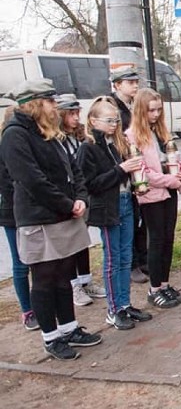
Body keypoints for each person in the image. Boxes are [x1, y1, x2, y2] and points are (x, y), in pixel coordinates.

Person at [0, 79, 102, 360]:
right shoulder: (15, 135)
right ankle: (51, 337)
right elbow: (32, 180)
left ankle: (69, 329)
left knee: (63, 277)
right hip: (40, 219)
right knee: (44, 280)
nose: (56, 106)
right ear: (35, 104)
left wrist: (80, 196)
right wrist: (68, 204)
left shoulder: (49, 132)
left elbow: (73, 168)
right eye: (51, 101)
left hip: (65, 215)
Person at [78, 96, 153, 330]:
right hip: (108, 207)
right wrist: (120, 169)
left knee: (125, 257)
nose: (114, 125)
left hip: (126, 201)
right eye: (109, 120)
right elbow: (90, 184)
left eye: (116, 120)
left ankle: (125, 303)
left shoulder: (117, 143)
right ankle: (114, 309)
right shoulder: (88, 147)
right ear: (93, 120)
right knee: (112, 259)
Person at [126, 88, 181, 309]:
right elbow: (142, 171)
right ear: (141, 110)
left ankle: (164, 283)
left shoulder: (161, 131)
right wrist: (170, 180)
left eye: (159, 109)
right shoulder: (132, 135)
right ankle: (154, 289)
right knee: (156, 240)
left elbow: (173, 157)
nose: (155, 114)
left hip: (170, 191)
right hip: (151, 195)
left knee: (168, 238)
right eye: (151, 110)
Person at [57, 94, 106, 307]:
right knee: (69, 246)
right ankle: (73, 284)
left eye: (77, 113)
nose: (76, 118)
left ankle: (85, 281)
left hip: (81, 195)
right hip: (65, 199)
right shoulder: (55, 140)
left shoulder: (80, 137)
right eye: (70, 114)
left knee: (82, 242)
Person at [0, 97, 39, 331]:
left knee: (35, 261)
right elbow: (8, 183)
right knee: (20, 262)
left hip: (28, 210)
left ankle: (38, 304)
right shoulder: (8, 145)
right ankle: (27, 310)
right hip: (11, 213)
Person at [109, 69, 148, 285]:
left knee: (140, 216)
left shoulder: (134, 106)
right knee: (131, 218)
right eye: (129, 82)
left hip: (138, 164)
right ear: (117, 85)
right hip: (125, 165)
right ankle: (133, 263)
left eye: (135, 82)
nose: (134, 85)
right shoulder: (115, 108)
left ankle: (142, 259)